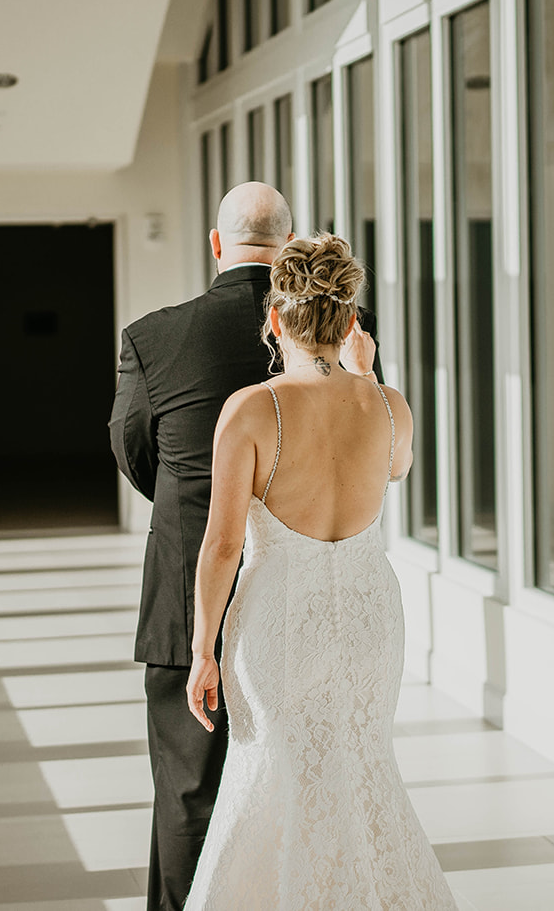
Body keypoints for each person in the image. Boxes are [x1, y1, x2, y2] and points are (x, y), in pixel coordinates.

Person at [108, 185, 380, 911]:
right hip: (306, 607)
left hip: (186, 595)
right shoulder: (341, 335)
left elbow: (135, 454)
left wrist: (193, 501)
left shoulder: (151, 337)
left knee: (188, 797)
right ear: (288, 242)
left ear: (216, 243)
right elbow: (370, 451)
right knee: (308, 788)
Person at [183, 234, 457, 910]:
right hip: (370, 620)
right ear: (349, 321)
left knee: (273, 775)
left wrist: (201, 650)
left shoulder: (251, 410)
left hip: (280, 621)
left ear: (275, 319)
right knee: (364, 771)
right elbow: (397, 465)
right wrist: (364, 372)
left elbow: (221, 545)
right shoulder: (389, 405)